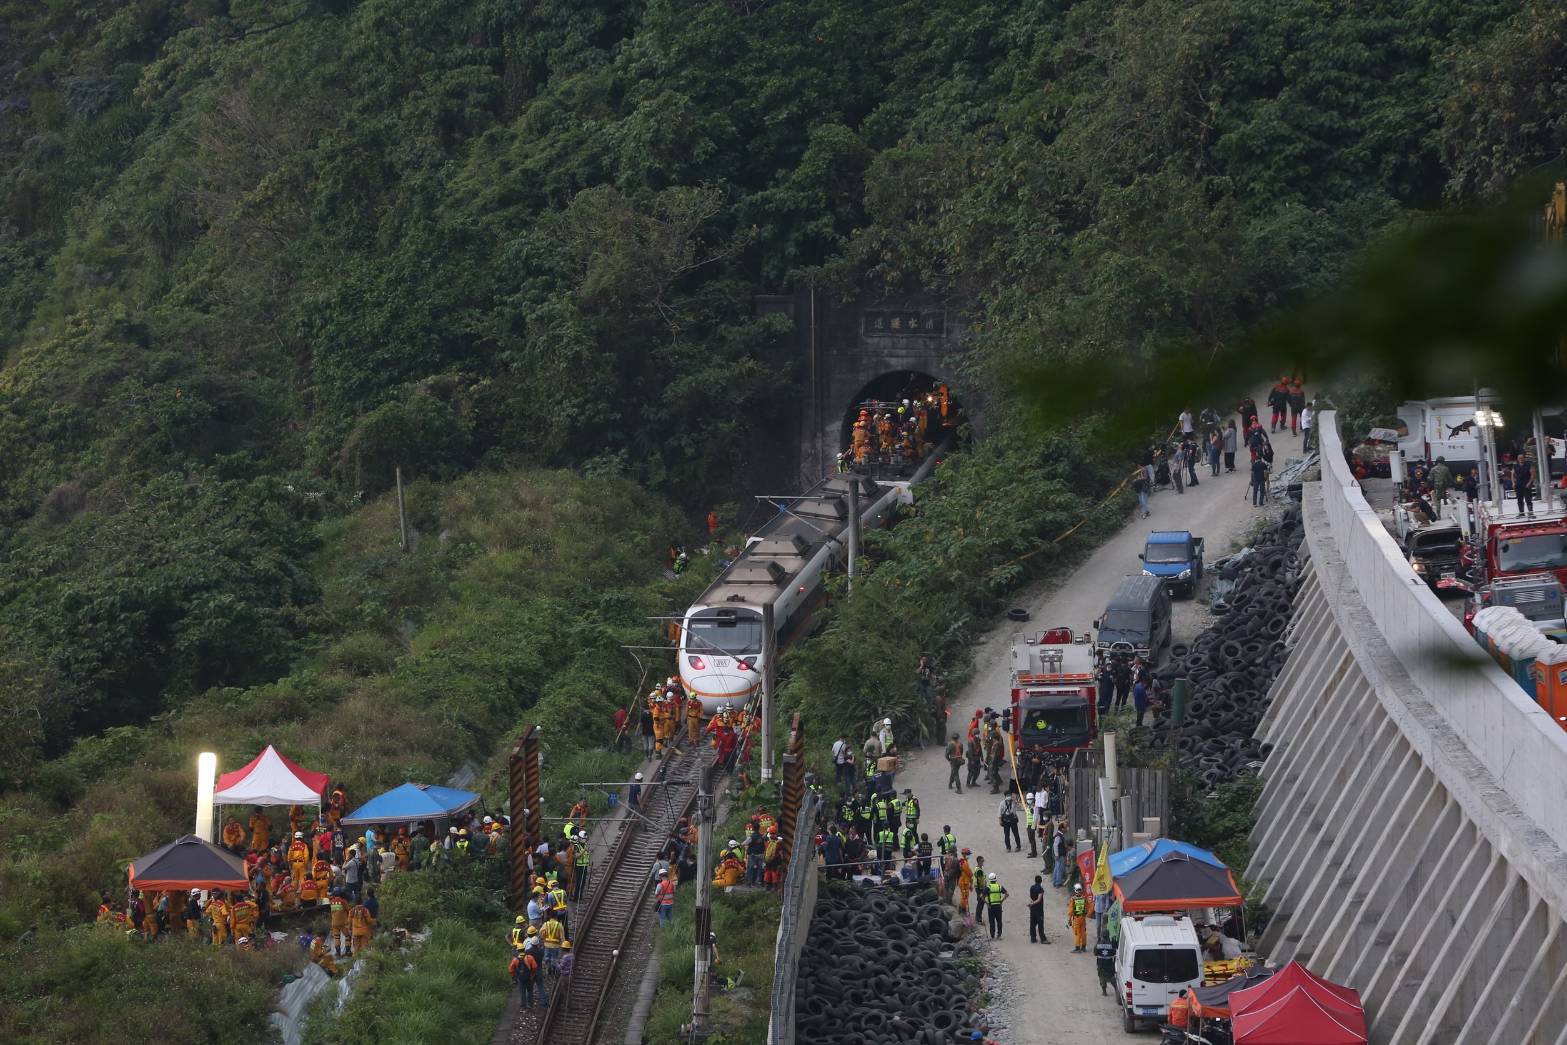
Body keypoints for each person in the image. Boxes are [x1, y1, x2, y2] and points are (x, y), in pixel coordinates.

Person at [985, 873, 1008, 939]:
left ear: (990, 880)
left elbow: (981, 896)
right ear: (995, 879)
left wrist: (987, 903)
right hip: (998, 906)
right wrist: (1001, 901)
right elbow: (1007, 894)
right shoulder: (999, 886)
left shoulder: (988, 887)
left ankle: (992, 936)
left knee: (992, 922)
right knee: (999, 921)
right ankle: (999, 935)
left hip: (991, 907)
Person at [1028, 874, 1049, 944]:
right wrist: (1033, 903)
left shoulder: (1031, 887)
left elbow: (1031, 897)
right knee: (1040, 924)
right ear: (1041, 881)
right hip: (1039, 909)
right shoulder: (1040, 889)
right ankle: (1043, 939)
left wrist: (1031, 904)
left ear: (1035, 881)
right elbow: (1039, 899)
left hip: (1032, 909)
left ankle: (1033, 938)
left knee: (1032, 923)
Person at [1068, 884, 1088, 951]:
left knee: (1077, 933)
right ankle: (1083, 947)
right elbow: (1090, 906)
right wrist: (1087, 914)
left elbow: (1070, 911)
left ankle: (1077, 947)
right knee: (1083, 933)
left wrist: (1069, 919)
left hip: (1076, 918)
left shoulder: (1073, 899)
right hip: (1083, 918)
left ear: (1075, 890)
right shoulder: (1084, 898)